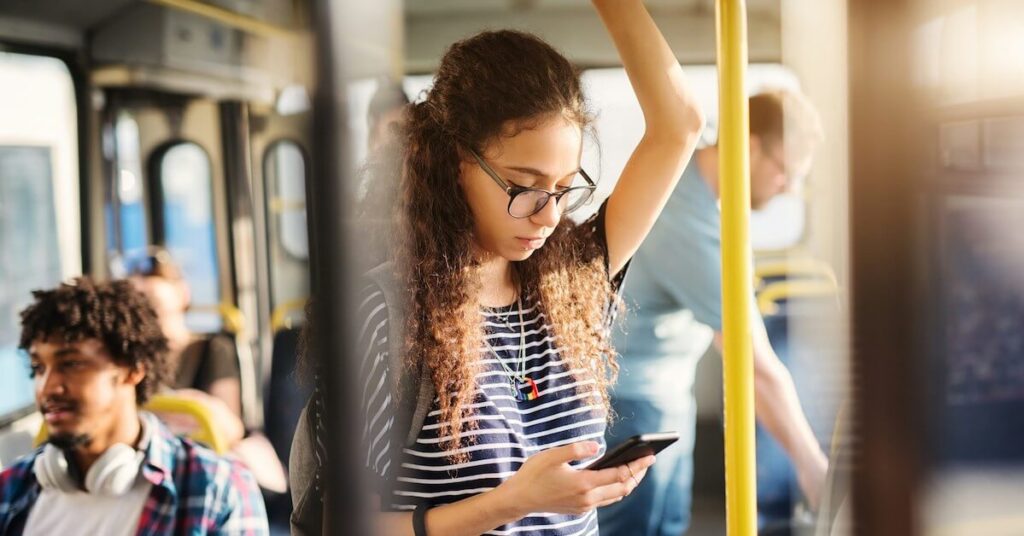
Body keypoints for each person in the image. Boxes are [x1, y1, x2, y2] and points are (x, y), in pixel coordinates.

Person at [290, 1, 706, 535]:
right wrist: (510, 504)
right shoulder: (384, 312)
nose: (550, 216)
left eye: (561, 189)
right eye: (525, 186)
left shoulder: (572, 280)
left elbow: (679, 125)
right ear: (453, 162)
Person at [598, 90, 828, 536]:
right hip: (630, 401)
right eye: (784, 169)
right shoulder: (689, 222)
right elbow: (755, 368)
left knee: (666, 526)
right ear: (749, 144)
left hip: (662, 393)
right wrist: (812, 467)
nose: (789, 186)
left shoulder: (701, 191)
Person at [0, 277, 268, 535]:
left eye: (71, 364)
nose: (47, 388)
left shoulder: (217, 490)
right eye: (38, 368)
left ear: (132, 369)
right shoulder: (12, 488)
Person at [129, 249, 287, 493]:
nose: (147, 312)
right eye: (139, 303)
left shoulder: (211, 349)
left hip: (204, 460)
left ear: (183, 295)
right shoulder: (132, 360)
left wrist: (179, 404)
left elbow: (229, 425)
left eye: (155, 303)